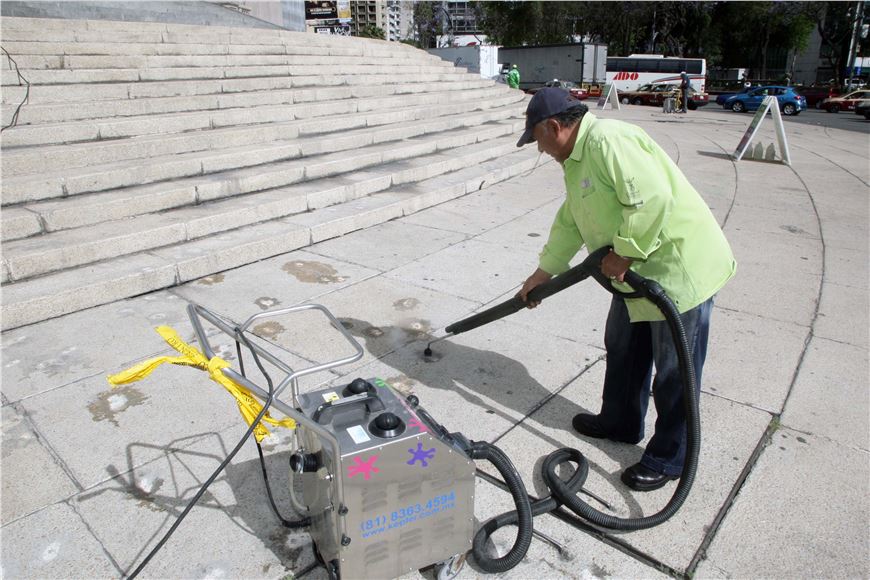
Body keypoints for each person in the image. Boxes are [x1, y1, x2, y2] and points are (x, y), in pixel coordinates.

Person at [515, 88, 736, 492]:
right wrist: (544, 272)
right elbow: (571, 219)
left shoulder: (608, 142)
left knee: (674, 372)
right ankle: (620, 421)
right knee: (623, 348)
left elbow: (652, 199)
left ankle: (671, 456)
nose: (539, 150)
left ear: (554, 127)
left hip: (676, 271)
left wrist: (627, 252)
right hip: (636, 276)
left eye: (537, 141)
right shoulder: (577, 158)